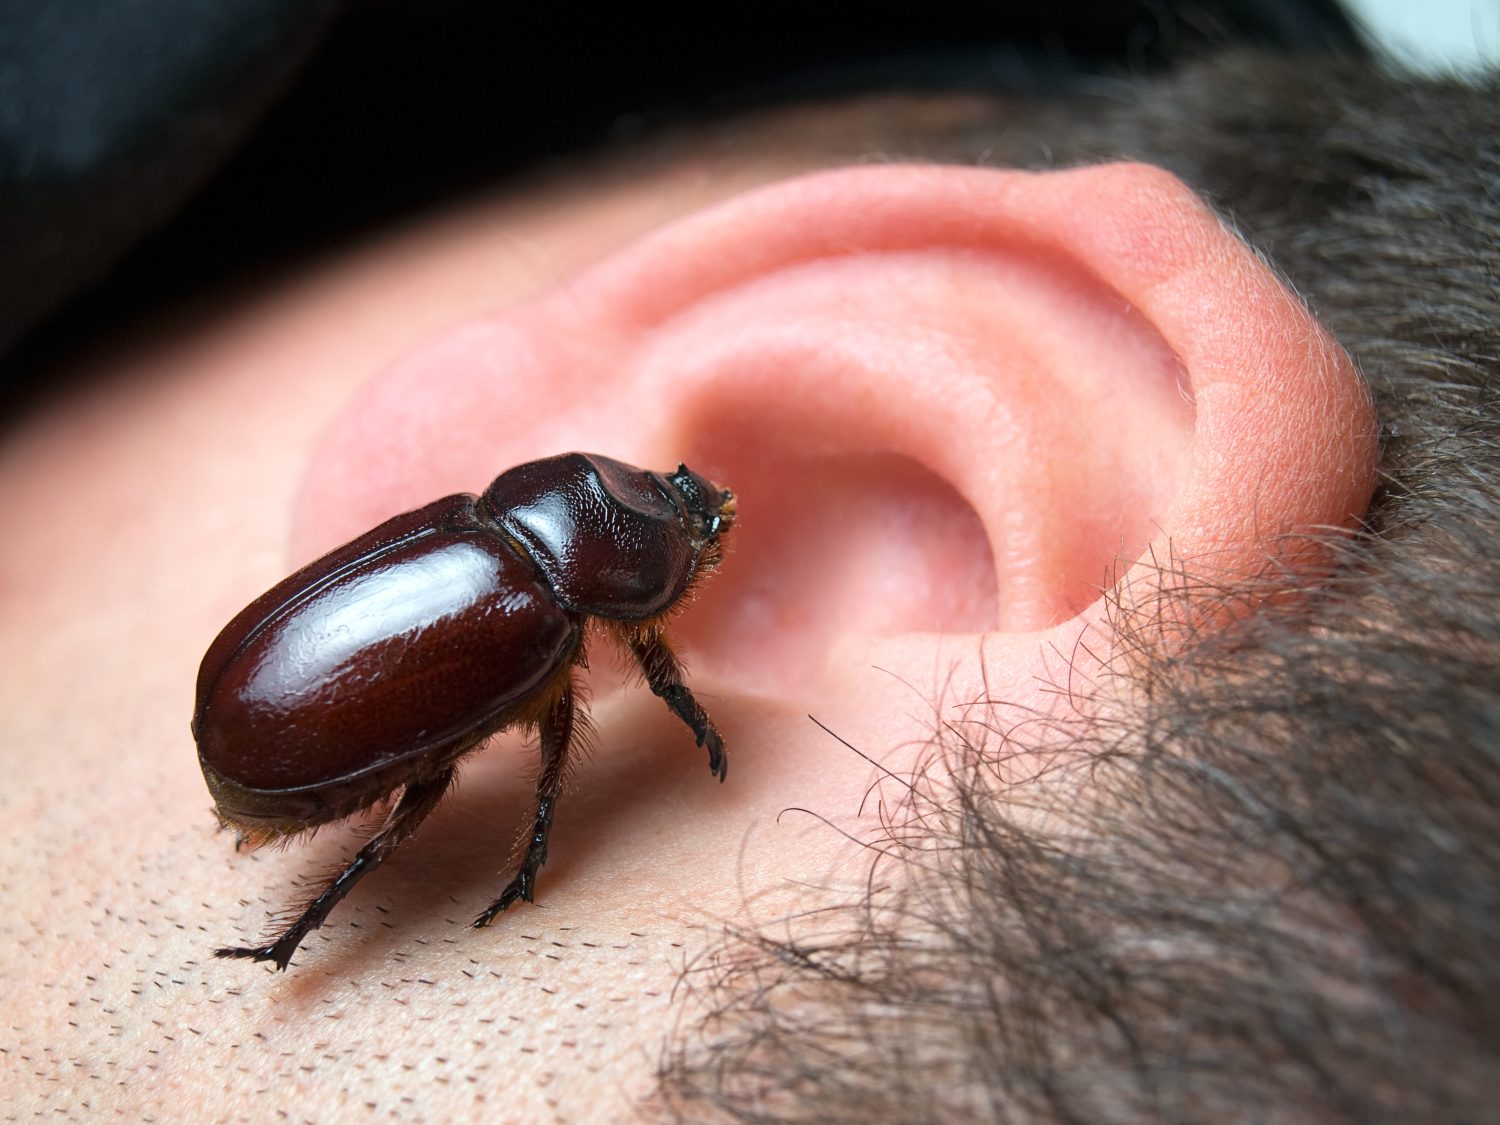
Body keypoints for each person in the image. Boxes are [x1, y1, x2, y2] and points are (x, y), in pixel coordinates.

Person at [3, 26, 1497, 1125]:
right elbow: (560, 741)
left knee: (419, 809)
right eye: (675, 524)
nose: (691, 531)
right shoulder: (549, 614)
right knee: (425, 811)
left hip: (276, 718)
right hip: (286, 726)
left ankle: (293, 929)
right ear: (917, 425)